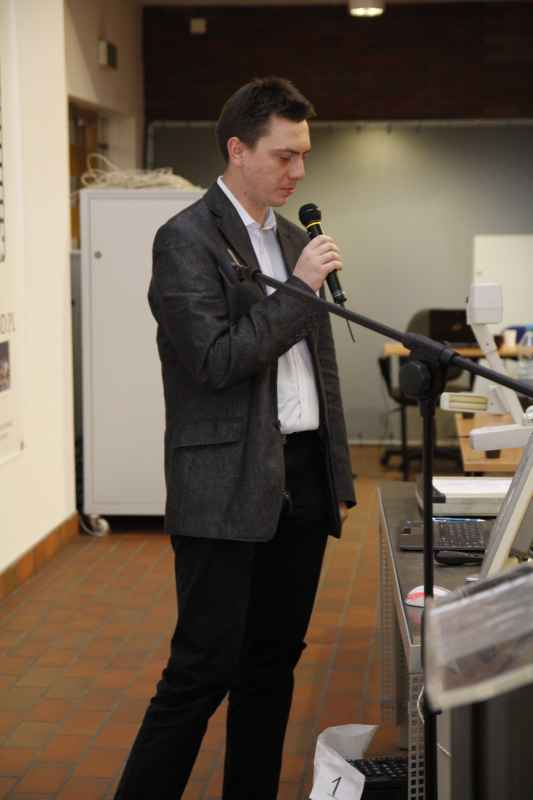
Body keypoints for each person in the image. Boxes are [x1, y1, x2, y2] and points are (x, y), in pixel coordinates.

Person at [114, 76, 356, 800]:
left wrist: (336, 474)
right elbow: (214, 361)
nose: (298, 170)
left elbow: (317, 373)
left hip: (300, 475)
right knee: (201, 671)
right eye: (284, 155)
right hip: (225, 482)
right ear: (237, 150)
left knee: (272, 664)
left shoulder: (293, 240)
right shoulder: (186, 239)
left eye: (304, 155)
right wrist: (299, 290)